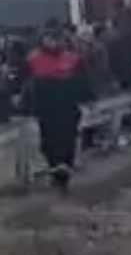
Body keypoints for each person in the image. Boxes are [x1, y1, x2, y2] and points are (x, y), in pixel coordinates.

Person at [24, 29, 90, 193]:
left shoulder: (73, 59)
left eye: (57, 39)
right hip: (46, 110)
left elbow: (83, 83)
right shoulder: (33, 60)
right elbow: (25, 85)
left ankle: (63, 176)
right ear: (43, 40)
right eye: (50, 39)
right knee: (48, 144)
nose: (54, 43)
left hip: (68, 109)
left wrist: (86, 100)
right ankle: (56, 171)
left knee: (68, 143)